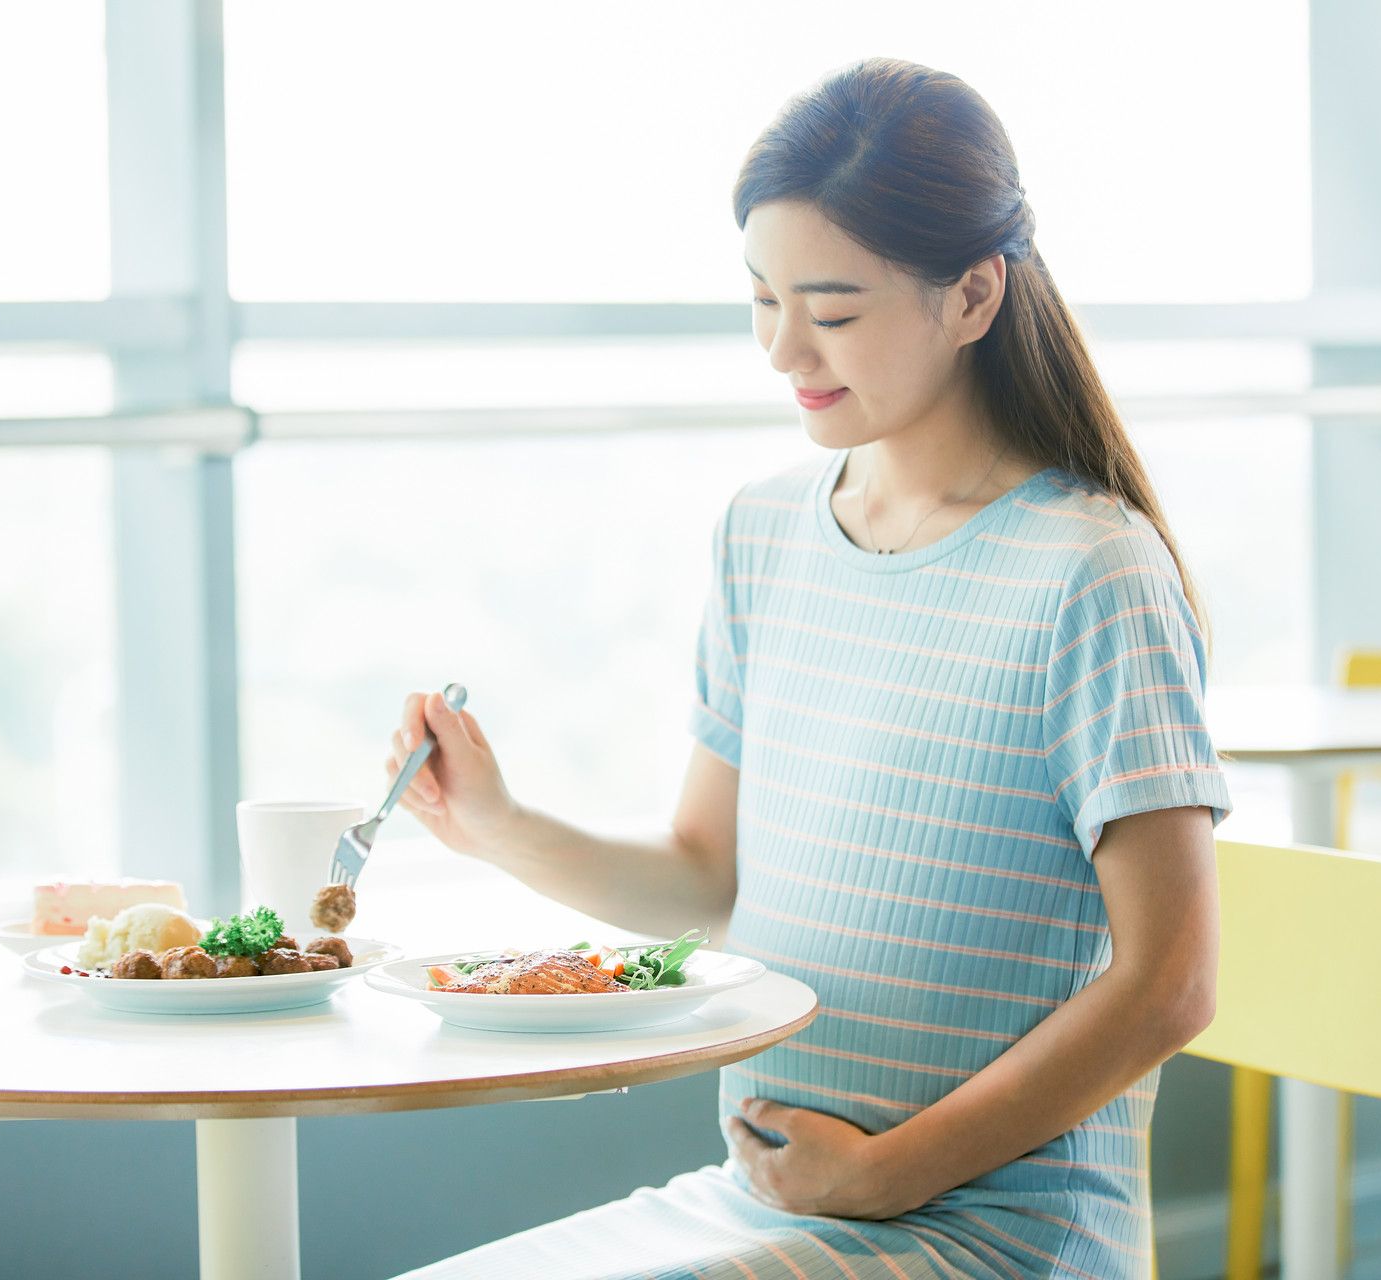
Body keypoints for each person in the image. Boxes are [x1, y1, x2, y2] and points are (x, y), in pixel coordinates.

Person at [384, 56, 1230, 1280]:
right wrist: (493, 824)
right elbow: (703, 875)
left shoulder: (1091, 570)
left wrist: (888, 1172)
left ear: (975, 294)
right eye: (761, 298)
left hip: (993, 1231)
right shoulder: (765, 529)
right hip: (768, 1201)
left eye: (830, 309)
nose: (785, 348)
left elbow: (1174, 983)